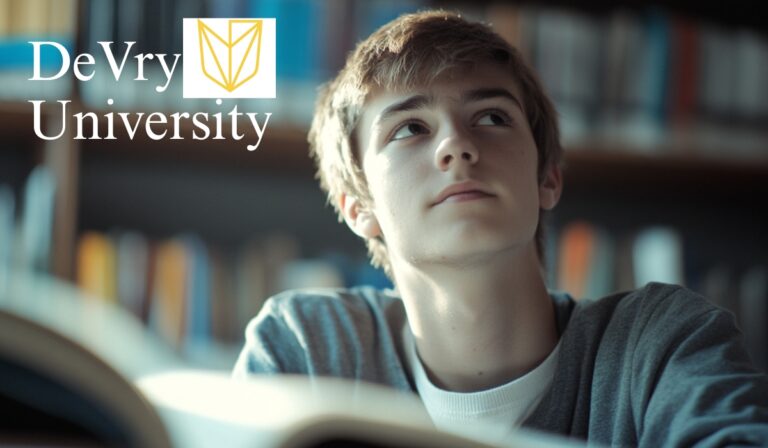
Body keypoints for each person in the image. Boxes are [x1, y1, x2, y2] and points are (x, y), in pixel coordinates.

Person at [233, 10, 768, 446]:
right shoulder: (306, 349)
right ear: (358, 207)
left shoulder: (662, 344)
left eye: (491, 117)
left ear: (547, 179)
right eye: (410, 128)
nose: (456, 146)